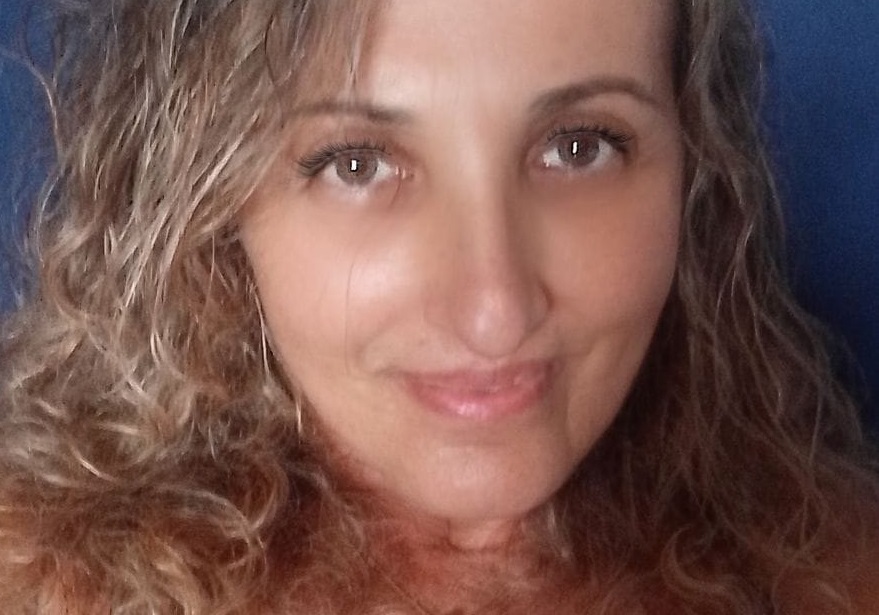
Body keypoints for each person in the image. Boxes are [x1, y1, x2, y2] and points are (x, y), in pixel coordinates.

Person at [0, 0, 877, 613]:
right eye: (357, 163)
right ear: (209, 205)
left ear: (695, 171)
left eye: (578, 147)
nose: (494, 311)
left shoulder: (832, 576)